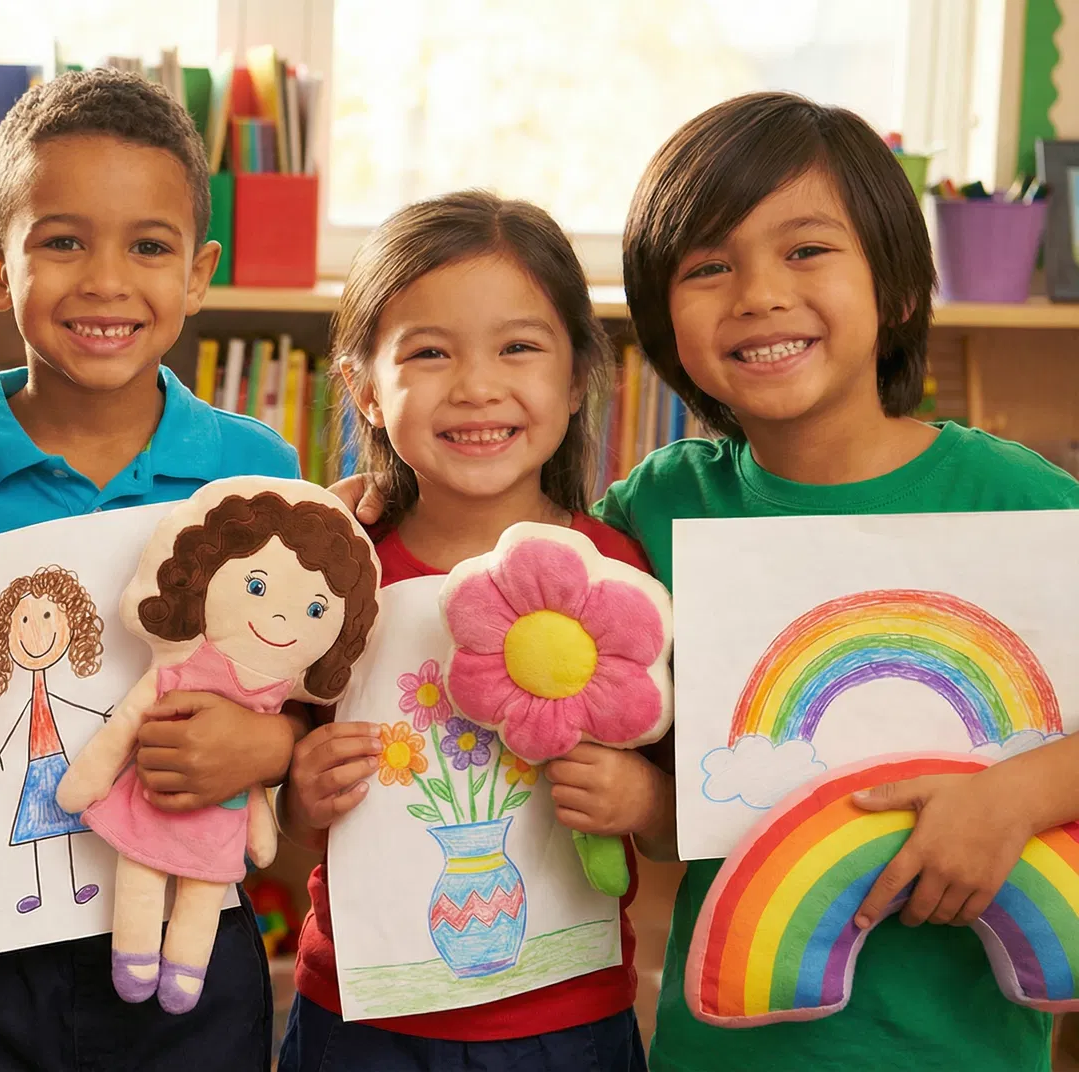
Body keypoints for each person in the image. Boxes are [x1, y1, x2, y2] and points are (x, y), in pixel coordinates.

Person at [599, 91, 1079, 1072]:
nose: (759, 293)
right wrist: (378, 507)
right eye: (707, 266)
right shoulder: (651, 507)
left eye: (807, 249)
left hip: (968, 1047)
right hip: (723, 1047)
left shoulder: (1020, 500)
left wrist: (1023, 793)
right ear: (662, 321)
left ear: (897, 287)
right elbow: (639, 768)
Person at [0, 67, 300, 1071]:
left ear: (198, 274)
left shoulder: (262, 473)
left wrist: (269, 750)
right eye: (62, 240)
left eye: (148, 247)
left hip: (186, 945)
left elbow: (315, 701)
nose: (107, 280)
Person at [284, 192, 654, 1072]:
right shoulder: (333, 569)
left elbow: (675, 802)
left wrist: (641, 799)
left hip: (567, 1018)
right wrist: (299, 790)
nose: (478, 385)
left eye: (518, 347)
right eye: (430, 353)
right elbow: (281, 777)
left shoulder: (617, 570)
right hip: (361, 1017)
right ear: (364, 391)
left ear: (574, 380)